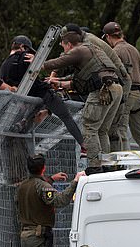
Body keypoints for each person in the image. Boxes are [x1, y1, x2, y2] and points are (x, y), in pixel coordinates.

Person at [43, 28, 123, 175]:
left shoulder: (78, 50)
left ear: (69, 44)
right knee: (102, 130)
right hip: (115, 88)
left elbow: (58, 62)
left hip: (102, 91)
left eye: (64, 46)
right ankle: (105, 165)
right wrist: (59, 83)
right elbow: (79, 82)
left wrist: (38, 63)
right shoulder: (92, 50)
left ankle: (94, 167)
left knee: (90, 128)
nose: (64, 50)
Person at [0, 35, 85, 154]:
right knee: (65, 116)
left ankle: (24, 120)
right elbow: (34, 79)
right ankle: (83, 144)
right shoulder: (26, 57)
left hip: (22, 100)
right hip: (40, 94)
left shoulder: (3, 66)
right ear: (23, 47)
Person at [61, 23, 132, 153]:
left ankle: (109, 164)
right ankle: (113, 165)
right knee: (108, 130)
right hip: (119, 84)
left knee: (112, 130)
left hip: (115, 83)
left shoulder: (89, 43)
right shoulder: (89, 42)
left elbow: (89, 70)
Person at [103, 21, 140, 151]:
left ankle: (123, 162)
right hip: (139, 95)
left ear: (108, 37)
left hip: (127, 94)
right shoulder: (133, 49)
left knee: (120, 129)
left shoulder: (115, 52)